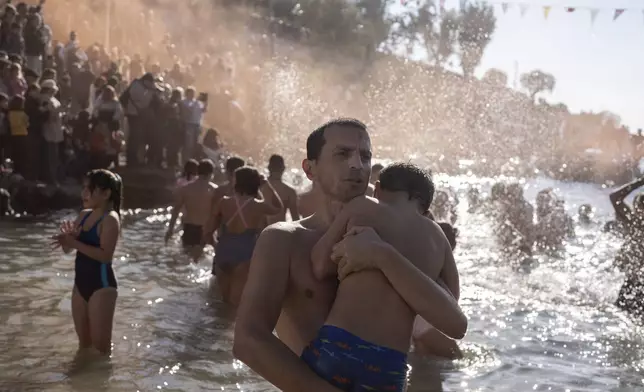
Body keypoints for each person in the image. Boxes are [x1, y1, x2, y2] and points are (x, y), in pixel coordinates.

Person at [233, 118, 466, 392]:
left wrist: (382, 255)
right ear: (310, 168)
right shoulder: (284, 239)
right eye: (342, 154)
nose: (357, 164)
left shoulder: (401, 239)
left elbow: (452, 322)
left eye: (365, 156)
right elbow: (249, 340)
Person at [306, 163, 464, 391]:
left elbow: (320, 263)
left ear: (377, 188)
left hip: (338, 346)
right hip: (389, 363)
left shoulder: (361, 207)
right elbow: (450, 303)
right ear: (425, 205)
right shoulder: (438, 237)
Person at [51, 169, 122, 355]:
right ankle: (81, 383)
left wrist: (75, 242)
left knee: (101, 350)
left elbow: (105, 256)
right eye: (83, 188)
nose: (84, 193)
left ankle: (103, 382)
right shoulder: (83, 215)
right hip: (79, 286)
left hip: (102, 286)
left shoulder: (111, 220)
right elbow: (69, 249)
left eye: (90, 189)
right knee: (83, 346)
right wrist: (67, 239)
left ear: (106, 194)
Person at [204, 166, 283, 305]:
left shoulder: (223, 202)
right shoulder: (257, 205)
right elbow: (278, 207)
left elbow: (208, 231)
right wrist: (267, 185)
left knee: (224, 301)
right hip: (245, 254)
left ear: (237, 183)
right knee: (236, 303)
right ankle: (231, 327)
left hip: (223, 252)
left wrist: (216, 246)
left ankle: (216, 326)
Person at [165, 159, 218, 258]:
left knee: (187, 258)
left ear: (197, 172)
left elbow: (176, 210)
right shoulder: (214, 190)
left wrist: (170, 230)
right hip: (206, 230)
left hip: (189, 228)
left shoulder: (185, 189)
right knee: (203, 259)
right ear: (211, 174)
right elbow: (218, 213)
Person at [609, 175, 644, 317]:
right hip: (632, 281)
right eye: (640, 208)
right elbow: (615, 197)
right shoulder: (631, 221)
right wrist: (641, 182)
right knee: (621, 315)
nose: (641, 213)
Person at [266, 154, 300, 224]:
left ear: (268, 168)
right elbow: (296, 219)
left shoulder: (259, 188)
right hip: (280, 231)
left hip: (261, 232)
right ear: (283, 168)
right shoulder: (289, 191)